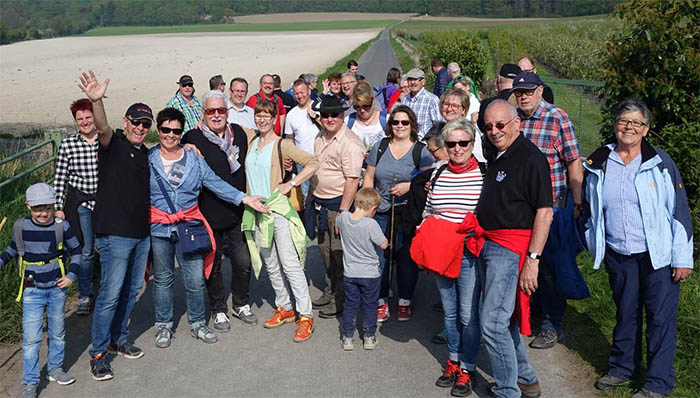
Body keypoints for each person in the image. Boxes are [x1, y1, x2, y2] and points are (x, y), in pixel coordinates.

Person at [582, 99, 693, 398]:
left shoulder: (660, 162)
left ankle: (658, 383)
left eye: (636, 123)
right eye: (623, 121)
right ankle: (622, 368)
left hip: (658, 256)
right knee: (626, 313)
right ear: (615, 124)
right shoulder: (600, 159)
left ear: (645, 129)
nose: (628, 127)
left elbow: (679, 212)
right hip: (619, 253)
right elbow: (589, 209)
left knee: (659, 320)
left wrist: (682, 258)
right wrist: (594, 241)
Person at [148, 105, 268, 348]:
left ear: (181, 133)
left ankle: (197, 323)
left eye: (175, 131)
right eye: (165, 130)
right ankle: (163, 325)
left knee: (193, 278)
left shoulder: (193, 158)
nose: (170, 135)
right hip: (159, 227)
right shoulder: (147, 159)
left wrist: (244, 198)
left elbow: (215, 183)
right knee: (162, 279)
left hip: (190, 226)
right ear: (158, 131)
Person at [471, 99, 552, 398]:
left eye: (500, 124)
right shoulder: (498, 153)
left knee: (492, 323)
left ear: (516, 122)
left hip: (510, 249)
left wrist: (533, 260)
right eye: (488, 126)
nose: (494, 131)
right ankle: (526, 379)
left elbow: (545, 212)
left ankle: (508, 390)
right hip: (490, 244)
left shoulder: (531, 158)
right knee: (502, 320)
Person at [77, 70, 153, 381]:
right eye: (135, 121)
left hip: (140, 234)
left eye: (145, 124)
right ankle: (98, 352)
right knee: (109, 293)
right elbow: (102, 127)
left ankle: (118, 340)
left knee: (131, 290)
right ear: (126, 121)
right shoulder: (114, 142)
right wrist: (96, 102)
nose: (140, 127)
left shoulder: (145, 153)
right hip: (115, 234)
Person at [512, 71, 583, 350]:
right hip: (522, 210)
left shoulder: (557, 118)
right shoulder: (514, 119)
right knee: (529, 266)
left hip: (552, 207)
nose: (524, 96)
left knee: (552, 268)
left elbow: (573, 160)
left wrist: (576, 201)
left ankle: (553, 324)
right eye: (519, 92)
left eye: (529, 91)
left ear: (540, 90)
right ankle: (532, 315)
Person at [181, 90, 260, 330]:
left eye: (221, 110)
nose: (216, 115)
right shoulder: (192, 137)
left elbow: (260, 147)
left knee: (243, 261)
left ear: (227, 112)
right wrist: (185, 144)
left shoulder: (238, 135)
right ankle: (218, 308)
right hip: (208, 213)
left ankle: (241, 302)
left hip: (237, 211)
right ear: (203, 113)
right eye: (211, 111)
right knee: (213, 265)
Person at [242, 99, 320, 342]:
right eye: (258, 114)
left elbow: (313, 162)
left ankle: (305, 315)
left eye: (267, 115)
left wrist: (292, 183)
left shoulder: (282, 144)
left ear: (275, 118)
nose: (262, 119)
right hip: (256, 211)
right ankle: (284, 306)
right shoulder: (250, 140)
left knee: (289, 263)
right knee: (270, 263)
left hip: (277, 210)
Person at [420, 119, 485, 397]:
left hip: (469, 253)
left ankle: (468, 369)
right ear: (445, 146)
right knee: (450, 313)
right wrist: (426, 231)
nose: (457, 148)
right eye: (451, 144)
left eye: (463, 143)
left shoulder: (484, 173)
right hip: (441, 252)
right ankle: (453, 361)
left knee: (468, 314)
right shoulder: (438, 174)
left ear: (472, 144)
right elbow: (428, 211)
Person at [1, 183, 80, 398]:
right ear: (28, 206)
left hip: (56, 289)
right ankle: (30, 381)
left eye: (46, 208)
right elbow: (11, 251)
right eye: (37, 209)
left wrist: (71, 276)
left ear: (53, 205)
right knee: (31, 338)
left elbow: (77, 251)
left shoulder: (61, 226)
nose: (43, 213)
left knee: (57, 332)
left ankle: (55, 369)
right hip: (31, 290)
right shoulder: (20, 227)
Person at [362, 105, 432, 322]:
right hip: (380, 211)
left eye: (404, 122)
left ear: (412, 125)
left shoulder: (421, 150)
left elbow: (430, 180)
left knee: (406, 257)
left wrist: (409, 186)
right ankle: (381, 300)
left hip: (408, 212)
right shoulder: (381, 147)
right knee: (378, 258)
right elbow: (369, 177)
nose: (400, 126)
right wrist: (366, 205)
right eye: (395, 122)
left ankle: (404, 300)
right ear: (390, 124)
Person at [305, 95, 366, 319]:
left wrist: (342, 212)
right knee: (325, 252)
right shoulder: (319, 137)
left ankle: (341, 299)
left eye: (334, 114)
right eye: (325, 115)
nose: (329, 119)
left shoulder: (350, 143)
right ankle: (330, 292)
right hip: (320, 202)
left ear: (342, 116)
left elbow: (352, 180)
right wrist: (310, 198)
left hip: (339, 205)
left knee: (340, 255)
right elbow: (316, 170)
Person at [53, 98, 99, 316]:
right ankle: (84, 294)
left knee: (108, 248)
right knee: (86, 250)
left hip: (106, 202)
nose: (85, 122)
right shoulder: (69, 144)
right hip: (82, 203)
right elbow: (60, 178)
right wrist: (57, 206)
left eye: (88, 117)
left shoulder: (106, 140)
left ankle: (111, 289)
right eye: (80, 119)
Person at [337, 187, 388, 351]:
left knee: (351, 304)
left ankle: (348, 337)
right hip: (370, 273)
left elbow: (339, 220)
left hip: (350, 272)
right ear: (373, 209)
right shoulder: (370, 224)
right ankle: (369, 337)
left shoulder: (343, 219)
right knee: (370, 304)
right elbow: (383, 244)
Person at [284, 78, 321, 201]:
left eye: (302, 92)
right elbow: (289, 139)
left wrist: (315, 117)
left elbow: (331, 128)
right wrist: (289, 159)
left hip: (321, 158)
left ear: (309, 91)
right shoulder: (291, 115)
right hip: (302, 162)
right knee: (306, 195)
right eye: (296, 93)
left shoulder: (319, 107)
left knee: (323, 193)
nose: (300, 96)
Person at [427, 88, 485, 162]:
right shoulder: (438, 129)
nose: (449, 109)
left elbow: (477, 158)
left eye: (455, 106)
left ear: (463, 110)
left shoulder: (468, 131)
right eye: (446, 104)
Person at [401, 68, 443, 139]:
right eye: (410, 79)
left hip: (424, 143)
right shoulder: (405, 99)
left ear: (423, 82)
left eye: (415, 79)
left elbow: (438, 125)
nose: (412, 82)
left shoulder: (431, 99)